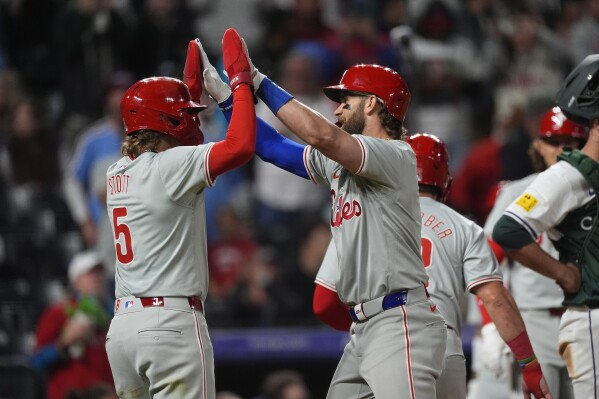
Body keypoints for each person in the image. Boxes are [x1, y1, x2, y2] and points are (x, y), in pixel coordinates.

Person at [195, 38, 447, 398]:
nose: (337, 110)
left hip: (400, 322)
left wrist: (258, 81)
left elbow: (319, 134)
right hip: (365, 326)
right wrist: (227, 100)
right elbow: (271, 148)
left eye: (347, 102)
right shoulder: (341, 160)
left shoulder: (394, 155)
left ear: (373, 104)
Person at [314, 133, 554, 399]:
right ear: (446, 182)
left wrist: (367, 319)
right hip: (443, 343)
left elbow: (323, 303)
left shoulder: (361, 213)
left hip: (381, 333)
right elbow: (495, 298)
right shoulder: (466, 228)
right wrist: (529, 364)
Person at [103, 28, 256, 399]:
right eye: (184, 114)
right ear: (166, 122)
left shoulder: (117, 170)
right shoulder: (171, 166)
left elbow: (173, 140)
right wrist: (239, 85)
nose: (192, 121)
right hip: (170, 324)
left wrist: (189, 88)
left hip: (123, 329)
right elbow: (241, 146)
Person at [493, 54, 599, 399]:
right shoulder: (568, 175)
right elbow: (505, 234)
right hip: (577, 317)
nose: (562, 148)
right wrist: (562, 273)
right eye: (554, 141)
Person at [480, 107, 586, 399]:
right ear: (538, 144)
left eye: (571, 141)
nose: (563, 148)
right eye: (554, 140)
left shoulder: (592, 190)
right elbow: (487, 266)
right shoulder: (516, 192)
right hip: (532, 320)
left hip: (586, 315)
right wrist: (492, 328)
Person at [31, 250, 115, 399]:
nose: (96, 278)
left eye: (99, 273)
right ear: (75, 281)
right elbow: (36, 363)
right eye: (89, 274)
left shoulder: (113, 315)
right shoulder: (58, 314)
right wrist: (64, 342)